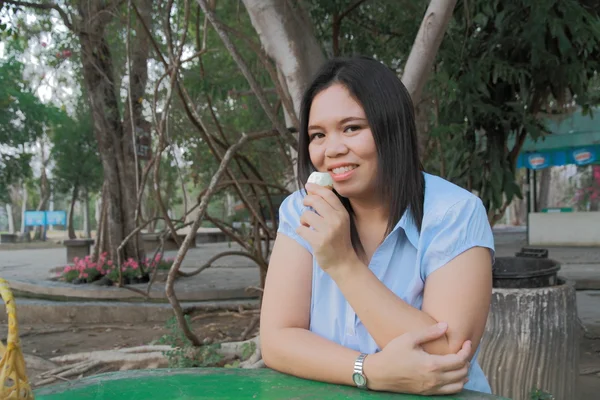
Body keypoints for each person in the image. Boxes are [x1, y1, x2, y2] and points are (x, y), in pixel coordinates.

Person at [260, 55, 494, 395]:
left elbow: (445, 356)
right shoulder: (302, 210)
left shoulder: (454, 214)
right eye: (317, 135)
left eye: (352, 128)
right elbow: (277, 340)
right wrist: (367, 371)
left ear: (392, 128)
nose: (332, 150)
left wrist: (342, 263)